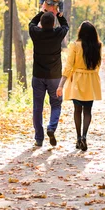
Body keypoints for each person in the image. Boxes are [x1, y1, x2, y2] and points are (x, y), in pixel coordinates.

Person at [56, 21, 102, 152]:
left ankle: (78, 138)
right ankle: (85, 136)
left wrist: (61, 85)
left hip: (77, 80)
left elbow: (69, 66)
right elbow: (98, 65)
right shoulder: (98, 45)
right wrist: (93, 76)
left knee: (77, 110)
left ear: (81, 32)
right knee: (88, 110)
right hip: (91, 80)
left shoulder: (75, 45)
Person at [29, 9, 69, 147]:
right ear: (53, 24)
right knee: (56, 104)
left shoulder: (36, 33)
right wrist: (58, 14)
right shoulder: (57, 34)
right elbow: (65, 26)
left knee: (37, 107)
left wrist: (42, 12)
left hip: (38, 76)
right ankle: (51, 128)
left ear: (41, 23)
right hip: (54, 77)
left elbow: (31, 23)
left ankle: (39, 139)